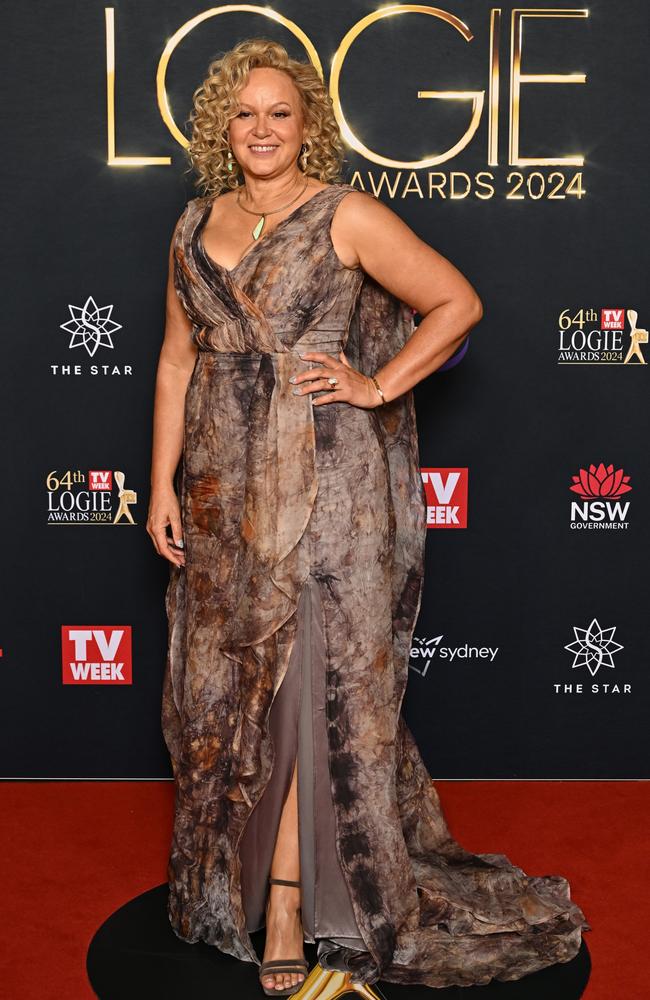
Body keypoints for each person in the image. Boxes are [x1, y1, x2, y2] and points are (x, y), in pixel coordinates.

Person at [147, 37, 590, 997]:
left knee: (314, 692)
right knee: (227, 695)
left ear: (307, 126)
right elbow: (178, 361)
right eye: (244, 113)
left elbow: (456, 303)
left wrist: (375, 382)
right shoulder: (193, 224)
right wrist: (160, 484)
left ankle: (290, 902)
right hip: (224, 496)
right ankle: (240, 880)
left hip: (329, 489)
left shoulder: (345, 215)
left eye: (281, 113)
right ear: (222, 127)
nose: (262, 130)